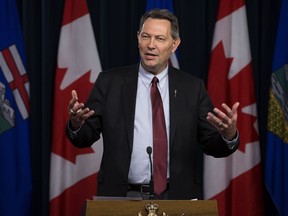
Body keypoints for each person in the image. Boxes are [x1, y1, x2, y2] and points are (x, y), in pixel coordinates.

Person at [66, 8, 240, 200]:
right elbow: (84, 137)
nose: (151, 45)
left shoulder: (192, 88)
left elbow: (212, 145)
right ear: (137, 38)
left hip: (176, 197)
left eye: (159, 39)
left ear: (174, 44)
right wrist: (76, 124)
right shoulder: (110, 83)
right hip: (121, 196)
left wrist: (228, 135)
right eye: (146, 36)